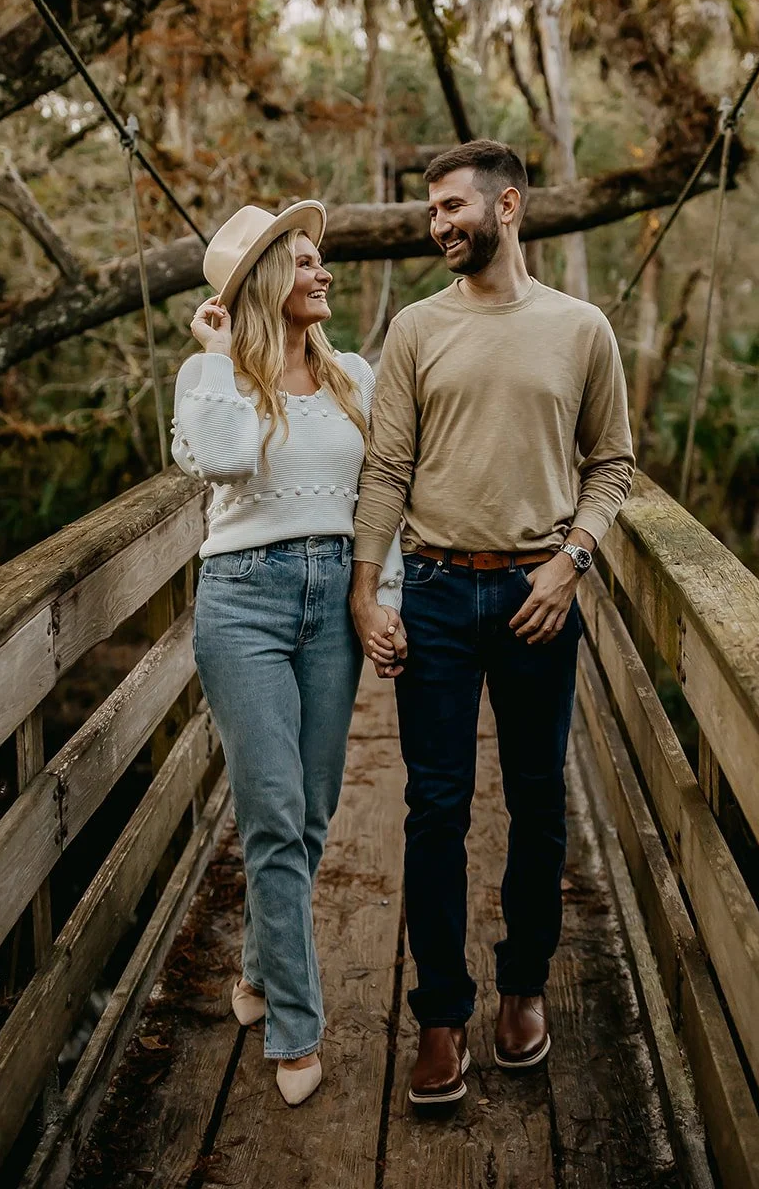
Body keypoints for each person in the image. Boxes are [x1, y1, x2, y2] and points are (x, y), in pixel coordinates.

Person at [351, 139, 634, 1106]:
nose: (438, 225)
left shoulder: (580, 328)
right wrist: (365, 587)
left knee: (537, 804)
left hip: (535, 596)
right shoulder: (415, 330)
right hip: (431, 590)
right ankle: (440, 1014)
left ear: (507, 207)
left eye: (452, 208)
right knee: (434, 809)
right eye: (431, 212)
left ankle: (522, 988)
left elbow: (613, 465)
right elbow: (386, 471)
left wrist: (571, 562)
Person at [171, 200, 404, 1107]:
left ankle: (261, 971)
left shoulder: (354, 374)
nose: (324, 273)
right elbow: (223, 462)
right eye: (305, 261)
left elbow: (388, 488)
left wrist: (381, 597)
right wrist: (220, 351)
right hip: (243, 605)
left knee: (308, 815)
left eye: (320, 260)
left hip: (330, 597)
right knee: (272, 813)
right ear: (269, 279)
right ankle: (295, 1030)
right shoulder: (212, 377)